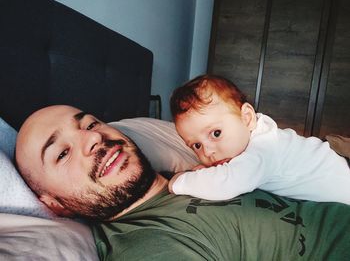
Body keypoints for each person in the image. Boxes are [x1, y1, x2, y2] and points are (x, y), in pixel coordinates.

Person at [15, 105, 350, 260]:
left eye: (89, 124)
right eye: (61, 154)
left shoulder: (197, 170)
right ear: (53, 204)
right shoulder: (148, 244)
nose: (92, 139)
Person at [168, 74, 350, 204]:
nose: (207, 152)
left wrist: (179, 181)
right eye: (196, 145)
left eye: (216, 134)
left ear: (247, 117)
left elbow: (229, 182)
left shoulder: (264, 148)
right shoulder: (255, 137)